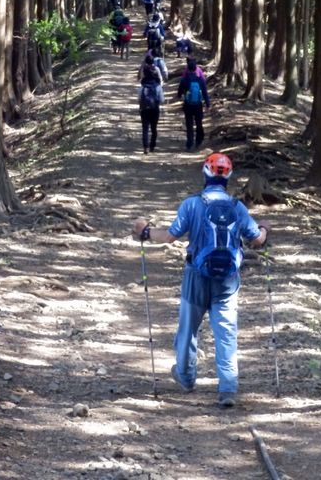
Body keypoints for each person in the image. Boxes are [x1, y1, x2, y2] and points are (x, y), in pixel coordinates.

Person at [132, 153, 270, 407]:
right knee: (226, 333)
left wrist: (146, 232)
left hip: (196, 276)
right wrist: (264, 227)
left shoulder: (192, 204)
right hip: (227, 279)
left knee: (188, 329)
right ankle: (227, 388)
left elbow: (170, 236)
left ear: (205, 173)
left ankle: (185, 376)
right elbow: (257, 239)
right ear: (228, 177)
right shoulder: (237, 207)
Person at [177, 58, 210, 151]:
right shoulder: (200, 80)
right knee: (199, 122)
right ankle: (199, 140)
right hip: (198, 105)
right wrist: (208, 104)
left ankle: (189, 144)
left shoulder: (185, 79)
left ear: (188, 69)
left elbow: (179, 92)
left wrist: (180, 96)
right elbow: (205, 92)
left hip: (188, 105)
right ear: (196, 69)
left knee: (189, 124)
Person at [137, 54, 165, 154]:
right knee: (154, 128)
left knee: (145, 128)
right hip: (154, 109)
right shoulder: (158, 86)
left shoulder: (142, 87)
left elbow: (139, 99)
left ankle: (146, 147)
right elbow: (162, 100)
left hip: (144, 109)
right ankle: (152, 145)